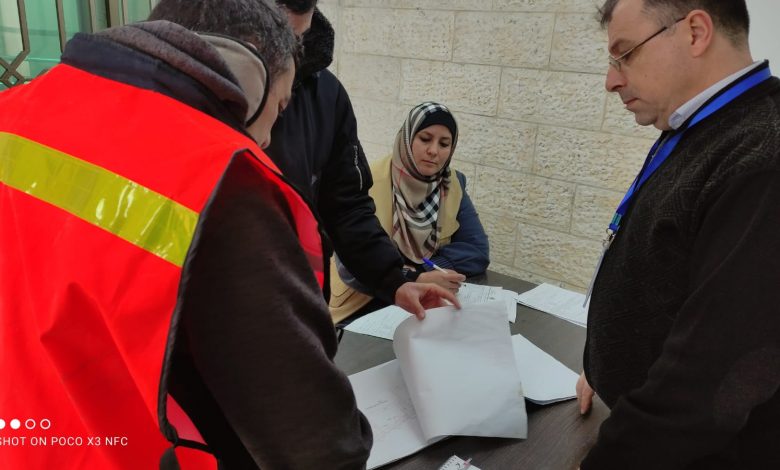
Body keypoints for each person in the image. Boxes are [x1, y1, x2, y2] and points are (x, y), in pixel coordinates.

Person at [0, 1, 376, 468]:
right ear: (249, 70)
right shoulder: (222, 183)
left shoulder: (13, 111)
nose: (265, 140)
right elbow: (313, 443)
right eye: (279, 108)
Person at [577, 0, 780, 468]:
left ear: (695, 32)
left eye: (625, 54)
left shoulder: (763, 157)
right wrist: (604, 367)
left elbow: (709, 381)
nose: (611, 80)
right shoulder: (701, 128)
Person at [265, 0, 456, 320]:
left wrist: (396, 279)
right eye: (425, 139)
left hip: (300, 307)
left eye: (298, 41)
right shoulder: (201, 87)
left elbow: (346, 207)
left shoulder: (327, 95)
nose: (287, 58)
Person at [329, 102, 490, 323]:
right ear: (407, 138)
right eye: (425, 139)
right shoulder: (366, 181)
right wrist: (413, 277)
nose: (433, 151)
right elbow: (350, 265)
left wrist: (422, 273)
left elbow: (477, 250)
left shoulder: (453, 183)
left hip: (424, 296)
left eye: (444, 144)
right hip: (365, 299)